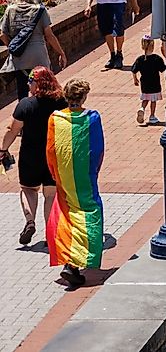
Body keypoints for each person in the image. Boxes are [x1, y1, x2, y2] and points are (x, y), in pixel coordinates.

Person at [45, 77, 103, 287]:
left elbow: (50, 150)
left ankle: (69, 260)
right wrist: (94, 171)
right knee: (89, 212)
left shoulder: (55, 118)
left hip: (63, 174)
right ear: (84, 96)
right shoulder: (92, 117)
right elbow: (97, 149)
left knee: (67, 212)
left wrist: (55, 173)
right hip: (85, 174)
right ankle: (75, 262)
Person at [0, 66, 65, 248]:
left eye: (31, 81)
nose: (29, 84)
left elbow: (12, 129)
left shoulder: (26, 105)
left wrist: (2, 149)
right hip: (54, 154)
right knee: (51, 194)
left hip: (30, 155)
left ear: (37, 83)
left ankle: (30, 222)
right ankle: (50, 233)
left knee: (28, 189)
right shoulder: (61, 102)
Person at [2, 0, 66, 98]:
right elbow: (49, 35)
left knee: (22, 89)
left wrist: (13, 46)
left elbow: (2, 34)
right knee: (44, 87)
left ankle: (24, 113)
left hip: (19, 56)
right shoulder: (39, 10)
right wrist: (61, 53)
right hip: (38, 55)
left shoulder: (10, 10)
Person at [131, 35, 165, 125]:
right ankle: (152, 116)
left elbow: (134, 70)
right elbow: (162, 68)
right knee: (153, 100)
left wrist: (135, 79)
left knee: (146, 98)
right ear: (152, 46)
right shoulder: (156, 58)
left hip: (144, 83)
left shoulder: (140, 59)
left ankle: (142, 108)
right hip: (155, 82)